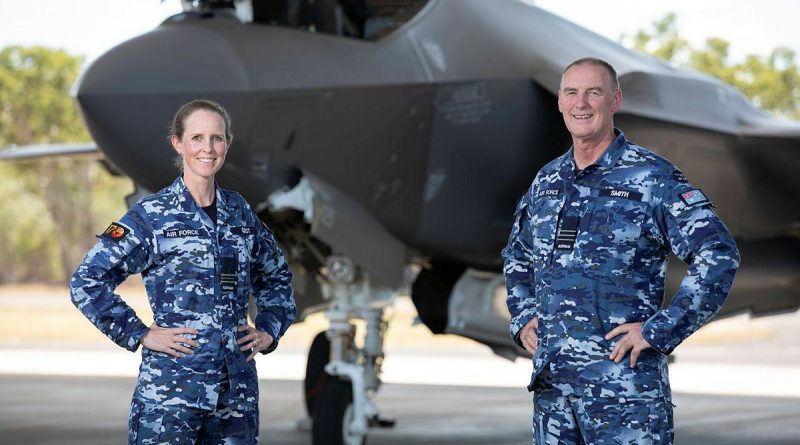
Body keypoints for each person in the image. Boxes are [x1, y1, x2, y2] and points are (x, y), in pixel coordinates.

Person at [502, 58, 739, 444]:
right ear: (560, 103)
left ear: (615, 100)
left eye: (594, 92)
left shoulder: (651, 178)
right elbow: (517, 254)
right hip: (555, 397)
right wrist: (523, 316)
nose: (582, 103)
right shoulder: (547, 180)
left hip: (625, 398)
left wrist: (660, 329)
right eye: (571, 92)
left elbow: (718, 254)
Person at [70, 99, 296, 444]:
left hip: (235, 402)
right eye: (197, 138)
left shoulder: (240, 213)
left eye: (217, 138)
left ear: (227, 145)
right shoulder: (152, 216)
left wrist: (268, 329)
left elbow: (275, 275)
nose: (208, 148)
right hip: (170, 399)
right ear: (178, 143)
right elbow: (87, 281)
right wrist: (140, 333)